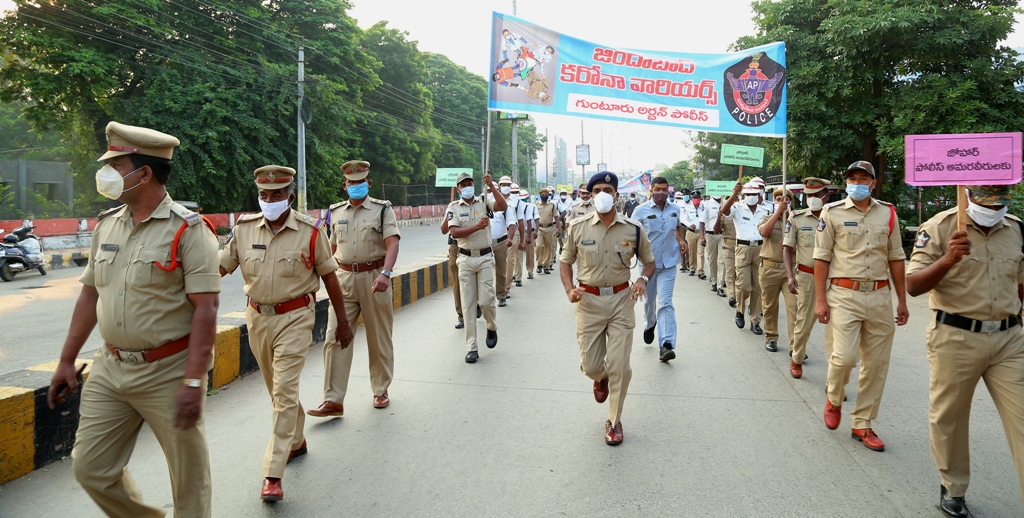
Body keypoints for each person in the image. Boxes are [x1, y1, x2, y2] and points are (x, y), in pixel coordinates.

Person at [47, 122, 219, 517]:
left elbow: (207, 309)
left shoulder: (189, 231)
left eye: (116, 164)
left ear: (143, 173)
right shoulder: (108, 225)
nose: (105, 173)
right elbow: (90, 294)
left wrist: (194, 380)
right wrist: (64, 360)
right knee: (91, 469)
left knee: (188, 480)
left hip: (169, 370)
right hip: (110, 368)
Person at [220, 165, 353, 501]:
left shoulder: (310, 231)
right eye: (264, 195)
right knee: (276, 390)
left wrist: (344, 321)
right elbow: (218, 268)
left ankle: (272, 472)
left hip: (295, 317)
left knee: (283, 389)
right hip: (257, 318)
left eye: (277, 195)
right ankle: (295, 440)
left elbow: (330, 278)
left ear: (290, 197)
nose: (269, 200)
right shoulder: (245, 229)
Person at [906, 184, 1024, 517]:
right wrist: (948, 259)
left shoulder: (1016, 229)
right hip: (956, 337)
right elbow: (913, 285)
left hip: (1009, 340)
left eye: (1000, 199)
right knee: (950, 418)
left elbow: (1020, 282)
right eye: (987, 199)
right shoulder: (940, 227)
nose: (993, 207)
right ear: (968, 194)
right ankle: (953, 487)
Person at [816, 161, 908, 452]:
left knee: (876, 365)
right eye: (851, 177)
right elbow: (821, 258)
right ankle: (834, 396)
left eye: (863, 178)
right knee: (843, 358)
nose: (857, 182)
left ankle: (862, 423)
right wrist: (820, 299)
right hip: (844, 294)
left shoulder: (888, 212)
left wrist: (902, 300)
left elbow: (895, 257)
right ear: (846, 182)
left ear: (873, 182)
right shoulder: (832, 213)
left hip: (880, 295)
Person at [560, 172, 655, 445]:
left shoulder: (633, 228)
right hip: (587, 302)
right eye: (597, 189)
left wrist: (641, 280)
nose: (603, 193)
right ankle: (599, 378)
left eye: (608, 189)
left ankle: (614, 421)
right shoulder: (577, 227)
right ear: (590, 195)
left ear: (616, 194)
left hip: (621, 302)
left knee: (620, 366)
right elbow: (565, 262)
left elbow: (649, 261)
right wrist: (570, 290)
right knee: (591, 365)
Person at [309, 160, 400, 419]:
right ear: (344, 185)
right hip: (344, 279)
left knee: (378, 336)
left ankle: (380, 390)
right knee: (335, 337)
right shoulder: (335, 212)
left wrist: (386, 273)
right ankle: (333, 399)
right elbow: (330, 250)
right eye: (351, 183)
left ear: (368, 183)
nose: (356, 186)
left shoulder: (383, 210)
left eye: (361, 182)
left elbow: (392, 244)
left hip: (375, 278)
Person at [447, 171, 507, 362]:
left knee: (487, 300)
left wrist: (492, 187)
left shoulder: (484, 201)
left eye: (469, 183)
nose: (467, 187)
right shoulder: (453, 207)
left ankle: (491, 326)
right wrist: (477, 227)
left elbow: (501, 205)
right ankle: (472, 347)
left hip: (485, 258)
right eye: (463, 185)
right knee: (468, 305)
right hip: (465, 259)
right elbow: (454, 232)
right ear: (458, 189)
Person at [632, 177, 686, 361]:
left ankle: (667, 344)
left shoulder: (675, 209)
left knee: (666, 302)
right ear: (651, 190)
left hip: (669, 263)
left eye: (664, 189)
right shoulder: (640, 211)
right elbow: (633, 234)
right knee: (649, 301)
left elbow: (677, 228)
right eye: (657, 189)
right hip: (648, 265)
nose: (661, 193)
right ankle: (649, 324)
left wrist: (681, 240)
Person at [781, 177, 830, 378]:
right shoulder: (797, 218)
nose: (813, 199)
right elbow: (787, 248)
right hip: (808, 277)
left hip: (835, 278)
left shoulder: (836, 217)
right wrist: (790, 276)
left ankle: (835, 377)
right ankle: (797, 358)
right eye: (809, 196)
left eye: (817, 195)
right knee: (803, 322)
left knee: (838, 328)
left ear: (826, 196)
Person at [722, 182, 768, 335]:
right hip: (742, 248)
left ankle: (755, 320)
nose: (750, 197)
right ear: (743, 195)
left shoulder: (766, 209)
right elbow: (724, 210)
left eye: (754, 194)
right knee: (743, 285)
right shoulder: (737, 207)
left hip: (761, 248)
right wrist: (734, 194)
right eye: (747, 194)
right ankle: (740, 310)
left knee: (758, 287)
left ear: (759, 195)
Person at [757, 188, 797, 353]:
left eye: (786, 199)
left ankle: (796, 345)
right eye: (778, 199)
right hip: (769, 269)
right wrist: (777, 213)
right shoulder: (766, 218)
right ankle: (771, 337)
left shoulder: (797, 221)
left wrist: (792, 249)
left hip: (792, 271)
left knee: (794, 308)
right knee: (769, 306)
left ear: (791, 202)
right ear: (774, 202)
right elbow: (764, 232)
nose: (782, 202)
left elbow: (806, 247)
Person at [700, 193, 723, 294]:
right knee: (712, 260)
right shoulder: (707, 204)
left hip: (724, 235)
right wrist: (702, 236)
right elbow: (702, 221)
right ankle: (714, 281)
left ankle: (720, 286)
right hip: (710, 234)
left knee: (722, 261)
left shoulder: (727, 202)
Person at [535, 187, 560, 274]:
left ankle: (546, 265)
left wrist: (559, 229)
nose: (544, 196)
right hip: (539, 229)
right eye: (543, 195)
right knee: (539, 246)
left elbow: (556, 217)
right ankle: (539, 264)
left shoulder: (552, 206)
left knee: (549, 247)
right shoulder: (536, 205)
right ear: (540, 195)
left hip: (550, 228)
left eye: (546, 195)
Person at [681, 190, 705, 278]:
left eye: (697, 198)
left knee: (701, 253)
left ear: (700, 198)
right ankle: (692, 268)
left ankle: (701, 271)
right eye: (694, 198)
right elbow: (683, 219)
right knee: (692, 252)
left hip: (701, 232)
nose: (696, 199)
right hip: (691, 232)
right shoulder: (687, 208)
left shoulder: (703, 207)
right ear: (692, 198)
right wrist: (689, 224)